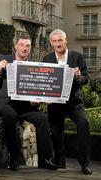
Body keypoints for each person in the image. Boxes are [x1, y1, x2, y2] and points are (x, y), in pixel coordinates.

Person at [0, 33, 57, 171]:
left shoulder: (32, 66)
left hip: (24, 106)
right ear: (15, 46)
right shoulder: (3, 60)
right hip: (5, 104)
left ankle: (46, 159)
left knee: (42, 118)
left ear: (30, 48)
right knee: (10, 115)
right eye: (22, 45)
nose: (25, 48)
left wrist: (36, 101)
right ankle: (14, 158)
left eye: (28, 46)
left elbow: (35, 91)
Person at [42, 29, 92, 174]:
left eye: (60, 41)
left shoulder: (78, 57)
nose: (58, 44)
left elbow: (86, 78)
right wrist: (45, 98)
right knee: (56, 133)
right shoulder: (47, 59)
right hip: (55, 104)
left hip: (74, 103)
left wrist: (78, 76)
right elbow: (44, 82)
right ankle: (59, 161)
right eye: (55, 41)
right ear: (51, 43)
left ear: (65, 41)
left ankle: (84, 163)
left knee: (83, 123)